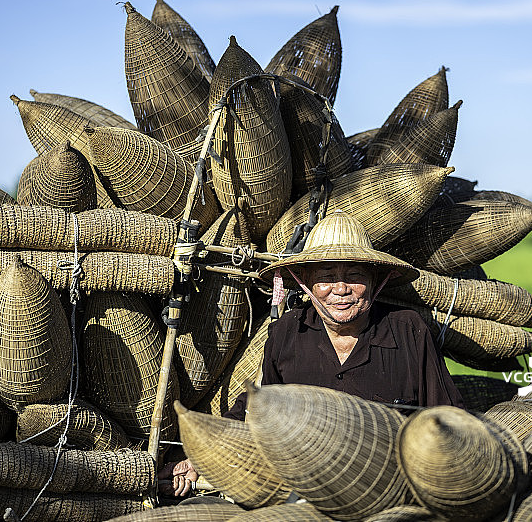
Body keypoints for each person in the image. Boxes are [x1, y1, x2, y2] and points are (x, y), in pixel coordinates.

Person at [159, 210, 465, 497]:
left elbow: (448, 417)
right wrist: (202, 459)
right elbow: (258, 409)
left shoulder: (408, 330)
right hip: (304, 488)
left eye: (354, 275)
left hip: (388, 489)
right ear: (305, 283)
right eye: (326, 277)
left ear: (375, 281)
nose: (341, 289)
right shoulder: (287, 332)